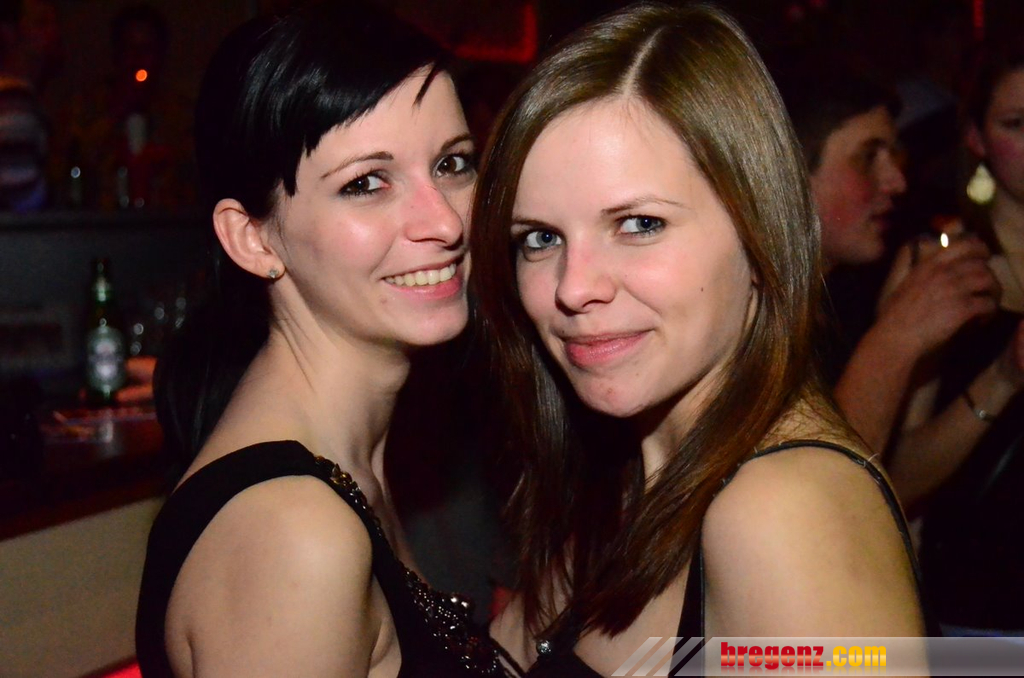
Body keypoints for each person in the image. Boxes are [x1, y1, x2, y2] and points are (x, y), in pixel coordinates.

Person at [471, 4, 927, 675]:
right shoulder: (633, 469)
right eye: (541, 238)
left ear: (758, 229)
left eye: (639, 224)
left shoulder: (782, 513)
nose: (573, 287)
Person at [135, 4, 519, 677]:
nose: (445, 222)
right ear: (253, 239)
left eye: (453, 163)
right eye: (366, 183)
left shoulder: (346, 465)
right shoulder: (295, 533)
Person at [776, 62, 1002, 508]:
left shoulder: (847, 295)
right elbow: (821, 499)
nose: (896, 181)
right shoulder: (741, 318)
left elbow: (890, 486)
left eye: (894, 156)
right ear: (787, 173)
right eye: (868, 158)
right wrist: (899, 334)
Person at [918, 43, 1024, 635]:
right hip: (978, 617)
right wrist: (1005, 374)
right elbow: (890, 474)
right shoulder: (942, 268)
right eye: (1017, 123)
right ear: (977, 139)